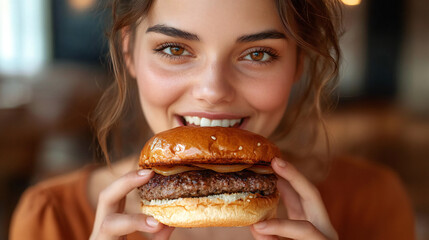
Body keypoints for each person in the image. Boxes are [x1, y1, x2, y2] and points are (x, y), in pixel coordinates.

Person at [10, 0, 415, 239]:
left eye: (258, 54)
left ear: (298, 65)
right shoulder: (52, 218)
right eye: (174, 48)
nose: (213, 89)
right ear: (130, 52)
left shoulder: (371, 202)